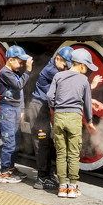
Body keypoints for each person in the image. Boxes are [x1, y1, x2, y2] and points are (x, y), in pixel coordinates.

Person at [47, 47, 97, 199]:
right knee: (74, 154)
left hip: (59, 117)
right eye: (87, 67)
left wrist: (56, 109)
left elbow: (49, 96)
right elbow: (88, 104)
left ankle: (62, 187)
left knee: (61, 153)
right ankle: (73, 187)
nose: (87, 70)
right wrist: (89, 121)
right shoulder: (84, 80)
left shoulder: (58, 76)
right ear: (81, 65)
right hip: (75, 118)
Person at [26, 46, 74, 190]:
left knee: (45, 142)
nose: (65, 69)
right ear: (58, 59)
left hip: (42, 108)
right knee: (41, 143)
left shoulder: (55, 67)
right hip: (38, 109)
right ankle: (41, 179)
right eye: (65, 65)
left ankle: (47, 174)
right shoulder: (52, 71)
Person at [0, 45, 33, 183]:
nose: (22, 65)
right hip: (8, 110)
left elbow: (20, 94)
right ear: (10, 60)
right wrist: (28, 71)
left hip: (16, 109)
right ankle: (4, 173)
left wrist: (22, 110)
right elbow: (19, 86)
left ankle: (11, 168)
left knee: (15, 141)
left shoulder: (14, 72)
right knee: (9, 143)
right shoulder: (4, 73)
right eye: (20, 62)